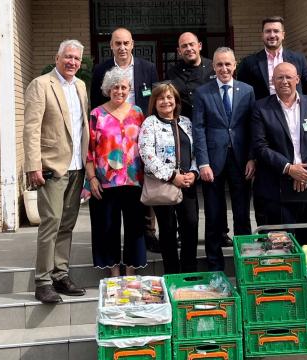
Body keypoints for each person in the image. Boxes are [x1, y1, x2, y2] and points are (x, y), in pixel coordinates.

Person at [23, 39, 88, 303]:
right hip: (51, 167)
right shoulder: (41, 85)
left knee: (67, 225)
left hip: (77, 167)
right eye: (68, 57)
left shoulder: (81, 86)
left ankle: (61, 274)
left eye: (76, 59)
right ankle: (42, 281)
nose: (72, 62)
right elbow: (31, 128)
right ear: (57, 57)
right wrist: (32, 166)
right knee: (50, 224)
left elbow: (82, 127)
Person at [91, 27, 160, 252]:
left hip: (139, 135)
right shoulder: (101, 69)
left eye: (126, 43)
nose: (122, 47)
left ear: (132, 44)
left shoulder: (147, 68)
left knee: (141, 192)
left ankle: (148, 235)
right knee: (115, 201)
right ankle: (115, 246)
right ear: (111, 45)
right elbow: (94, 104)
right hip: (110, 140)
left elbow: (154, 101)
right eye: (117, 43)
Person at [251, 62, 307, 246]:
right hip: (276, 188)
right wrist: (289, 168)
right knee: (279, 248)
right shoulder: (261, 108)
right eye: (279, 77)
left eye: (289, 77)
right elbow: (260, 145)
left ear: (297, 79)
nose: (284, 81)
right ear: (273, 81)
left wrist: (304, 172)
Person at [192, 47, 256, 271]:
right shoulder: (203, 93)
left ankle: (245, 263)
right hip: (213, 162)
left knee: (242, 214)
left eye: (228, 64)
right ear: (213, 67)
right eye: (219, 64)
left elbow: (252, 127)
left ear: (235, 65)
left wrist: (252, 158)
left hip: (241, 161)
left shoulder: (247, 91)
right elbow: (198, 129)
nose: (224, 69)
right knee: (213, 214)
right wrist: (203, 163)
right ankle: (214, 266)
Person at [166, 32, 232, 247]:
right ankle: (182, 231)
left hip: (211, 133)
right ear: (179, 50)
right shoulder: (173, 72)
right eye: (184, 46)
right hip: (184, 132)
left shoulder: (212, 67)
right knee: (185, 183)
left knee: (216, 185)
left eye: (191, 44)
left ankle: (221, 231)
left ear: (200, 46)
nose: (188, 49)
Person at [85, 67, 147, 277]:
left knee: (134, 228)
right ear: (107, 89)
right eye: (115, 87)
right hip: (105, 182)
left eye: (123, 87)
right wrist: (91, 177)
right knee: (107, 228)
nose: (119, 91)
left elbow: (145, 145)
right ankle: (113, 271)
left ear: (129, 89)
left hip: (134, 181)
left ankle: (130, 270)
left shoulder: (138, 113)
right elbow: (89, 150)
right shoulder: (96, 114)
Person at [138, 82, 199, 274]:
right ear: (154, 102)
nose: (166, 101)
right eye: (161, 98)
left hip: (188, 183)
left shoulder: (186, 122)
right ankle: (172, 272)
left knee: (191, 225)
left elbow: (197, 151)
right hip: (163, 183)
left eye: (169, 97)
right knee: (168, 229)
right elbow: (147, 154)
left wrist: (194, 173)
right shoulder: (150, 123)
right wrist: (173, 176)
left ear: (176, 100)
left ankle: (189, 271)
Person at [237, 16, 307, 100]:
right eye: (268, 31)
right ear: (262, 35)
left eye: (276, 31)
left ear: (283, 35)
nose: (272, 35)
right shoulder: (249, 63)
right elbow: (243, 92)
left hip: (294, 110)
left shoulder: (299, 59)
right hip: (263, 111)